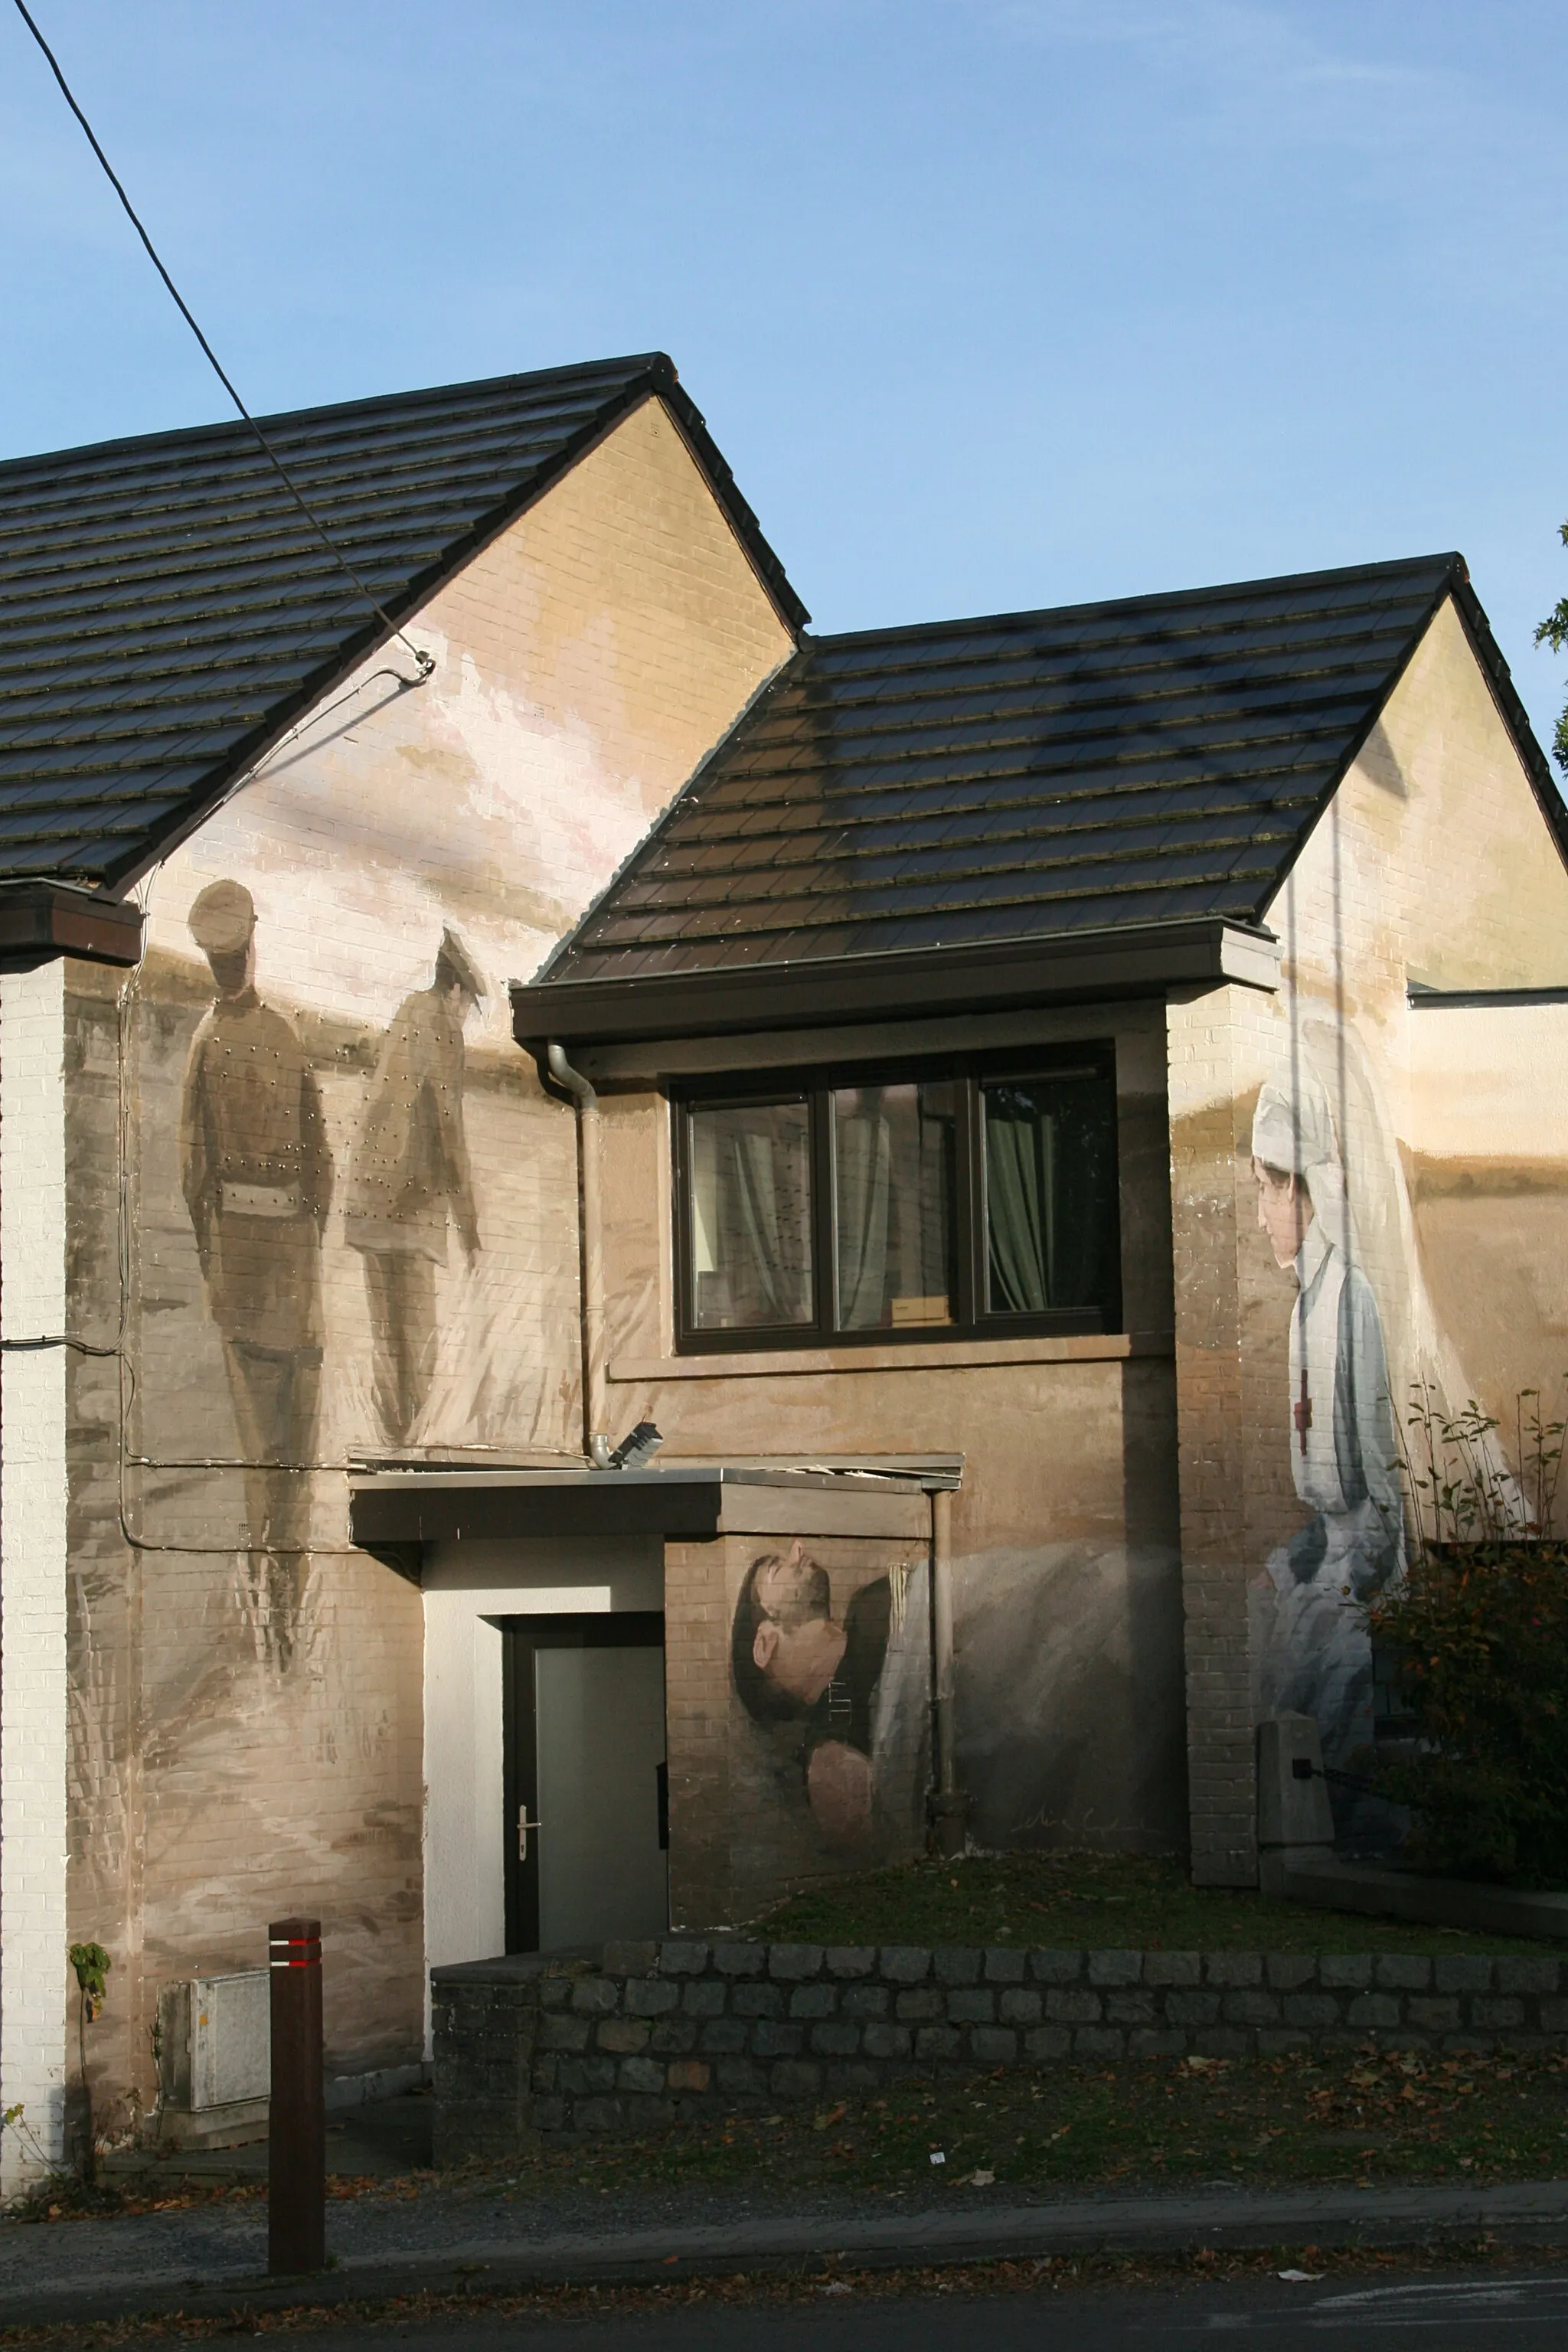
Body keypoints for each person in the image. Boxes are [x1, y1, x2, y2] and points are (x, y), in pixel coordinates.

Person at [180, 878, 332, 1665]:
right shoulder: (287, 1035)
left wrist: (216, 1266)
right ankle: (291, 1615)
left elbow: (190, 1173)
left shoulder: (205, 1045)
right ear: (253, 944)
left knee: (257, 1464)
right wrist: (304, 1253)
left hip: (239, 1277)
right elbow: (322, 1165)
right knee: (298, 1465)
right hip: (295, 1280)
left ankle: (273, 1632)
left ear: (214, 959)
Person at [1250, 1073, 1403, 1823]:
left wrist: (1339, 1588)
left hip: (1351, 1584)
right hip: (1322, 1564)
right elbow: (1322, 1500)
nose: (1258, 1215)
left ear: (1298, 1192)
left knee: (1330, 1748)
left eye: (1266, 1190)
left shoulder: (1348, 1300)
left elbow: (1373, 1481)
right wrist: (1282, 1570)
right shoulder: (1304, 1306)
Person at [345, 927, 485, 1446]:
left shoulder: (407, 1013)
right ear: (455, 991)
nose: (467, 1013)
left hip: (368, 1202)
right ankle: (412, 1457)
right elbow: (449, 1129)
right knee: (418, 1346)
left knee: (389, 1343)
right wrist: (470, 1226)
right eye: (468, 1003)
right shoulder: (444, 1028)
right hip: (408, 1207)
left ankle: (392, 1449)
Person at [730, 1542, 929, 1848]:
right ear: (764, 1645)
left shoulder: (869, 1605)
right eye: (775, 1568)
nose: (797, 1548)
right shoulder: (831, 1758)